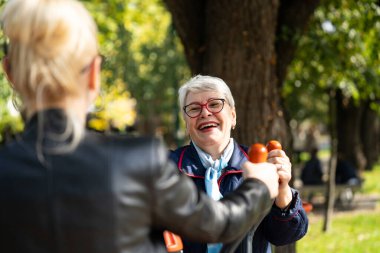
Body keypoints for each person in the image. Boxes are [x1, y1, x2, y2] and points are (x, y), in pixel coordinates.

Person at [0, 1, 281, 253]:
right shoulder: (138, 160)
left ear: (9, 72)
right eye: (194, 108)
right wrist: (258, 185)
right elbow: (219, 224)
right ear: (94, 74)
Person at [170, 75, 309, 253]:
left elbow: (285, 235)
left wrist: (282, 188)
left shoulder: (259, 165)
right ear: (186, 123)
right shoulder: (167, 169)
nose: (205, 113)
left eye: (214, 104)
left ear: (233, 116)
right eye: (194, 108)